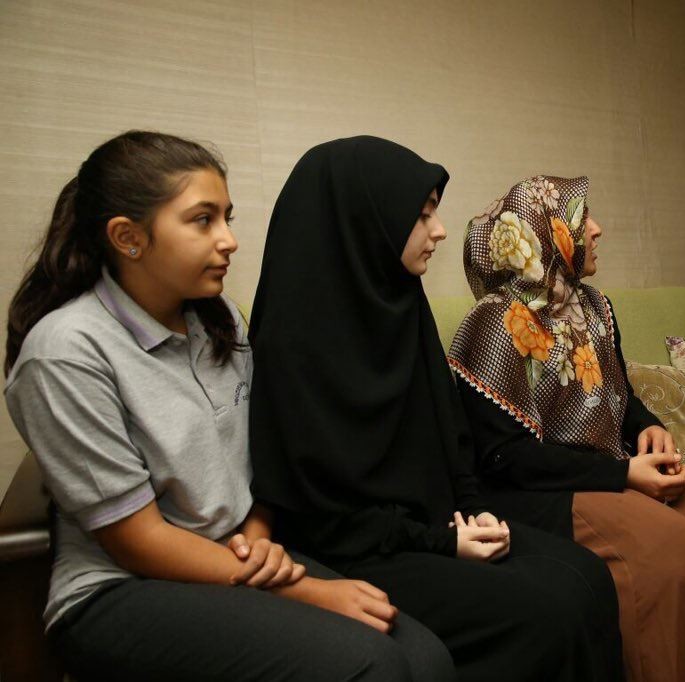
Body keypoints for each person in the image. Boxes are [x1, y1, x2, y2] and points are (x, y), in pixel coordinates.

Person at [4, 131, 455, 682]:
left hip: (238, 555)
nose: (230, 240)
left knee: (428, 659)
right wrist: (299, 588)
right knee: (373, 665)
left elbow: (260, 462)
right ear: (128, 237)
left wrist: (258, 540)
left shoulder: (220, 323)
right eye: (203, 220)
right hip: (122, 588)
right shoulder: (66, 352)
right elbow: (138, 542)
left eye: (228, 218)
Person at [247, 137, 624, 682]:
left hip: (432, 526)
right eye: (422, 215)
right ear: (365, 222)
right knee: (545, 614)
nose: (441, 230)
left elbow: (452, 441)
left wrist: (472, 511)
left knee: (587, 576)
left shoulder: (401, 306)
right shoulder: (295, 342)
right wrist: (445, 541)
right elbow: (323, 519)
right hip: (358, 551)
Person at [449, 175, 685, 682]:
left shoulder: (593, 306)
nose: (596, 229)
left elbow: (621, 397)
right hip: (544, 491)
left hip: (614, 468)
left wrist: (648, 429)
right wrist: (625, 475)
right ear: (545, 232)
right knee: (672, 547)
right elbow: (506, 458)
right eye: (581, 217)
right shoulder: (494, 323)